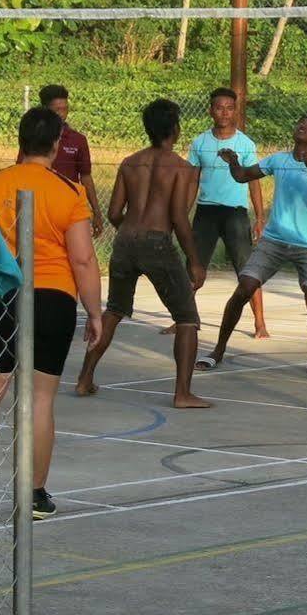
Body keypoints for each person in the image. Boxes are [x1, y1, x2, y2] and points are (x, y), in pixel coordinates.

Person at [0, 106, 104, 524]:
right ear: (54, 144)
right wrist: (95, 312)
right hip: (53, 297)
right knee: (40, 398)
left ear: (20, 142)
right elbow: (82, 259)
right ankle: (35, 494)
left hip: (1, 295)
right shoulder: (68, 192)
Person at [74, 99, 210, 407]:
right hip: (157, 241)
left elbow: (113, 212)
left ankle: (85, 379)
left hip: (125, 240)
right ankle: (183, 393)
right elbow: (178, 217)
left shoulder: (130, 162)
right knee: (187, 318)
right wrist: (194, 260)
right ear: (175, 129)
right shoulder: (181, 168)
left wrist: (132, 231)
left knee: (114, 311)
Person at [204, 113, 307, 374]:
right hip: (274, 240)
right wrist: (234, 162)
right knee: (244, 288)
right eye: (300, 121)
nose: (302, 125)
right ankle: (217, 350)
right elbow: (243, 176)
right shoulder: (279, 160)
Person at [180, 86, 267, 340]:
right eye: (219, 107)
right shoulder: (200, 143)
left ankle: (260, 323)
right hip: (206, 213)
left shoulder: (245, 144)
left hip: (235, 214)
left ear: (236, 111)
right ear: (211, 110)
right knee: (193, 267)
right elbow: (192, 180)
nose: (224, 113)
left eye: (230, 108)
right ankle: (184, 318)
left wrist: (259, 217)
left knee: (247, 269)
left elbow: (254, 182)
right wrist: (184, 213)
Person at [40, 84, 102, 238]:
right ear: (45, 110)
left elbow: (86, 176)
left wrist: (96, 211)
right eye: (57, 110)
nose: (62, 114)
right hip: (41, 209)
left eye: (65, 109)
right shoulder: (36, 138)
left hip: (69, 211)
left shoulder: (78, 140)